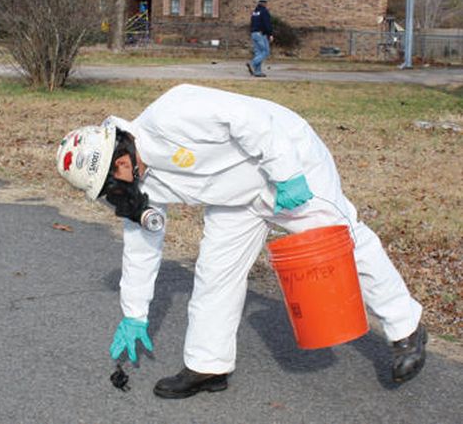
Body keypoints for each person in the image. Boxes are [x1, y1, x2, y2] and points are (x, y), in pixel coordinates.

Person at [55, 84, 426, 399]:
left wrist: (287, 175)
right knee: (215, 271)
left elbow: (253, 122)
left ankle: (406, 327)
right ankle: (208, 364)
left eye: (114, 179)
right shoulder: (138, 184)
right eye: (108, 188)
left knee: (343, 240)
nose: (117, 189)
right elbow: (141, 246)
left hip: (286, 163)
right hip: (235, 197)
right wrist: (134, 313)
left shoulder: (173, 111)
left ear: (120, 149)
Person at [247, 0, 273, 78]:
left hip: (254, 33)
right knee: (265, 52)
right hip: (261, 34)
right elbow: (267, 24)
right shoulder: (264, 11)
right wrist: (270, 34)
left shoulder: (255, 12)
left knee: (258, 53)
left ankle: (257, 72)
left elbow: (252, 23)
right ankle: (252, 63)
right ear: (265, 2)